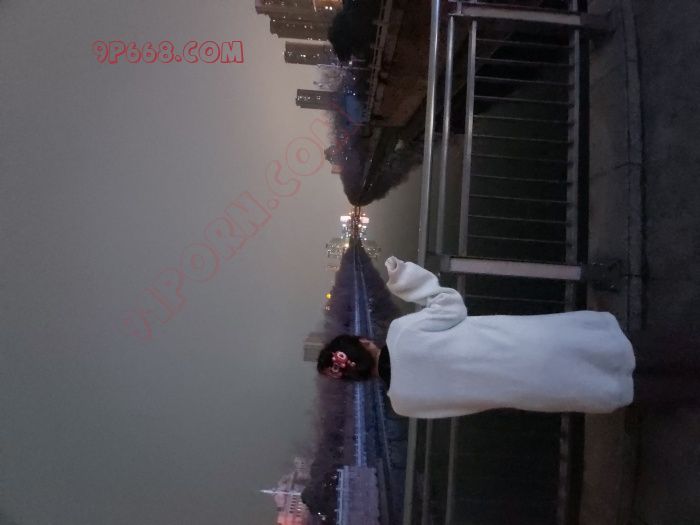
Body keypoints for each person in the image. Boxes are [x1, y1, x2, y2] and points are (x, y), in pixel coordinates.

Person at [317, 256, 699, 418]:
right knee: (627, 349)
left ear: (357, 378)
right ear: (364, 343)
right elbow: (450, 305)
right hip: (530, 344)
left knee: (626, 389)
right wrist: (406, 281)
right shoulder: (402, 333)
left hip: (532, 388)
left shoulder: (404, 403)